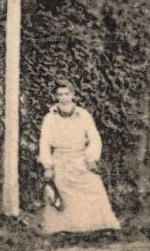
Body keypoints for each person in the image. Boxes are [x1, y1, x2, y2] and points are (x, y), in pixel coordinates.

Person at [38, 81, 121, 235]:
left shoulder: (83, 115)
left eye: (67, 94)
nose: (64, 98)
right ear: (56, 96)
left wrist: (91, 158)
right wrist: (48, 166)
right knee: (62, 193)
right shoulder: (50, 118)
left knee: (92, 188)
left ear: (73, 95)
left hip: (80, 159)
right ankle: (64, 230)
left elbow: (94, 138)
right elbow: (44, 142)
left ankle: (98, 228)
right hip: (60, 160)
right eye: (60, 95)